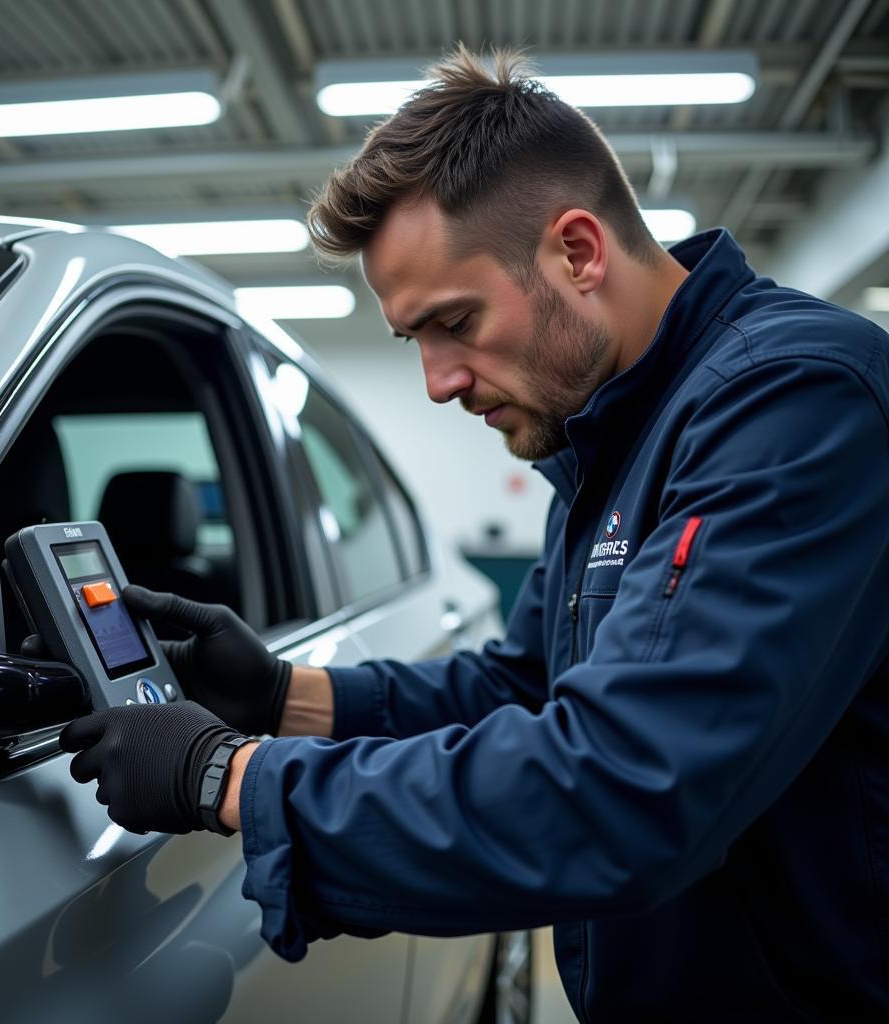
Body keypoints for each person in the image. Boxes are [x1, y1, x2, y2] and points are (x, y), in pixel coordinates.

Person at [58, 47, 889, 1021]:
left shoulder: (794, 401)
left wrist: (224, 774)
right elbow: (523, 687)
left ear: (576, 252)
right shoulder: (603, 435)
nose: (438, 382)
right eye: (416, 340)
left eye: (453, 321)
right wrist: (284, 694)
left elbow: (626, 788)